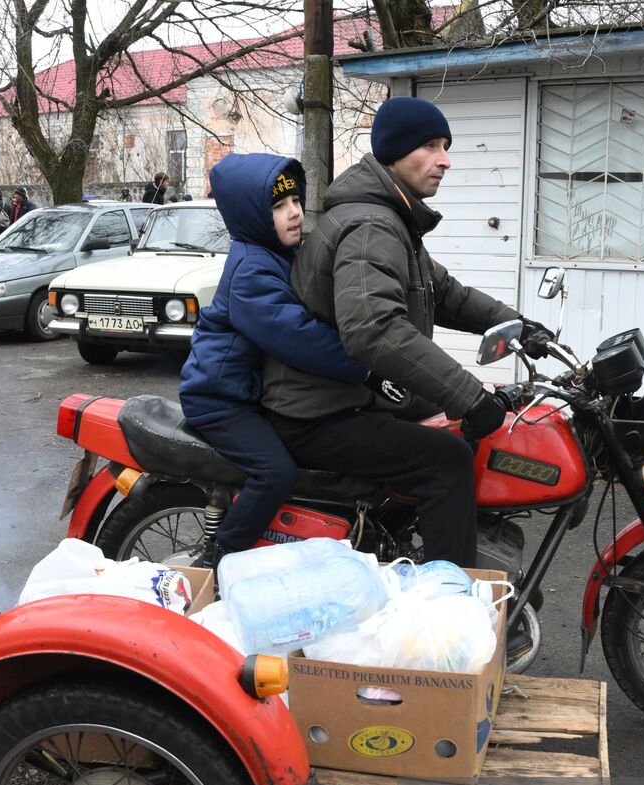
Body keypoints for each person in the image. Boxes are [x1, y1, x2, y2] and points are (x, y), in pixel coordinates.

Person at [262, 97, 555, 566]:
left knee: (444, 420)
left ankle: (397, 540)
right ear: (396, 152)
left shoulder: (392, 218)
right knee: (447, 459)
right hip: (317, 411)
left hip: (345, 395)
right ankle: (447, 603)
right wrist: (471, 397)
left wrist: (518, 323)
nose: (446, 159)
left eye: (446, 146)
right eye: (431, 146)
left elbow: (444, 293)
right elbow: (374, 329)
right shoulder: (370, 223)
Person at [179, 154, 374, 567]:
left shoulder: (274, 254)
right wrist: (363, 362)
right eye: (278, 207)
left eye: (296, 202)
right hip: (218, 400)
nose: (294, 213)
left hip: (243, 393)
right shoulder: (251, 269)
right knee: (276, 474)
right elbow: (296, 336)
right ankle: (219, 556)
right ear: (251, 214)